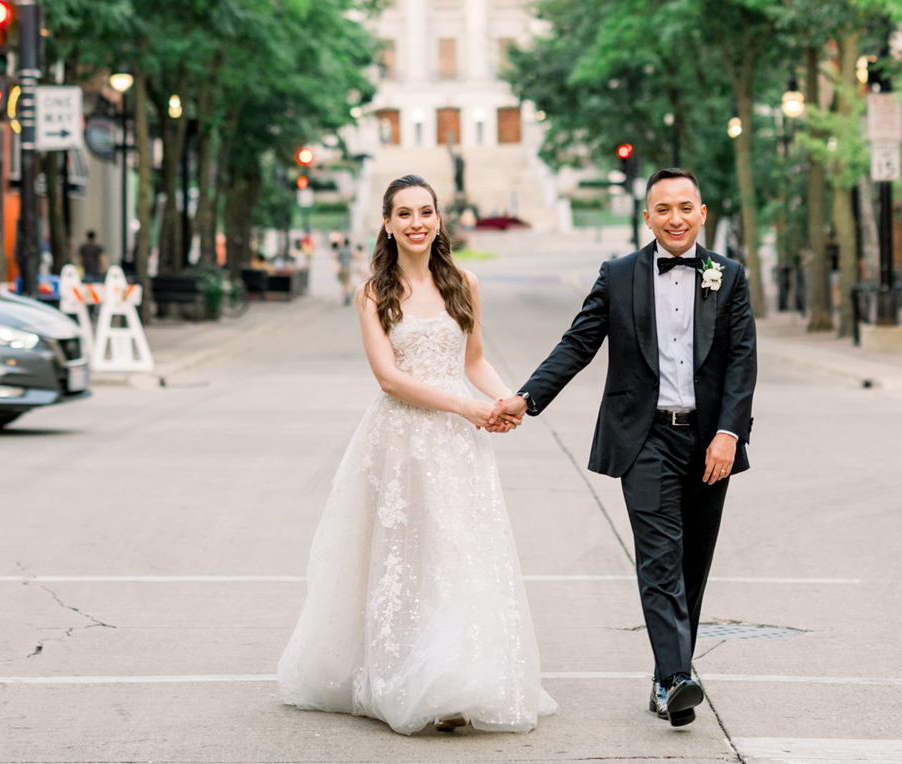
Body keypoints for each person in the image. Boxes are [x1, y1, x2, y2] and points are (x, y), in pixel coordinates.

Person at [277, 174, 555, 736]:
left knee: (459, 554)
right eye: (403, 214)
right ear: (387, 223)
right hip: (402, 440)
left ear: (438, 218)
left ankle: (457, 680)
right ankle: (405, 673)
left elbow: (473, 358)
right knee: (406, 561)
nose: (416, 223)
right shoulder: (373, 293)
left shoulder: (465, 283)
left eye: (425, 212)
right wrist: (466, 407)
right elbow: (389, 379)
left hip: (458, 442)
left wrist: (506, 399)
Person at [490, 168, 757, 729]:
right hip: (645, 438)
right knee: (659, 561)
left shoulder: (727, 276)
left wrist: (729, 434)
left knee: (692, 566)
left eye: (686, 207)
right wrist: (526, 397)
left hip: (711, 440)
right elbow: (578, 342)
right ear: (647, 217)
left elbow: (741, 362)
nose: (676, 218)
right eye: (664, 209)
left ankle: (665, 678)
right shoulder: (618, 276)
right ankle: (680, 676)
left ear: (702, 213)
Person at [336, 235, 354, 306]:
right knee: (348, 283)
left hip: (341, 268)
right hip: (347, 268)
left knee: (343, 284)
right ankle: (348, 295)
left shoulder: (341, 249)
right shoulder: (349, 250)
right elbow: (353, 257)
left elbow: (337, 257)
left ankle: (343, 297)